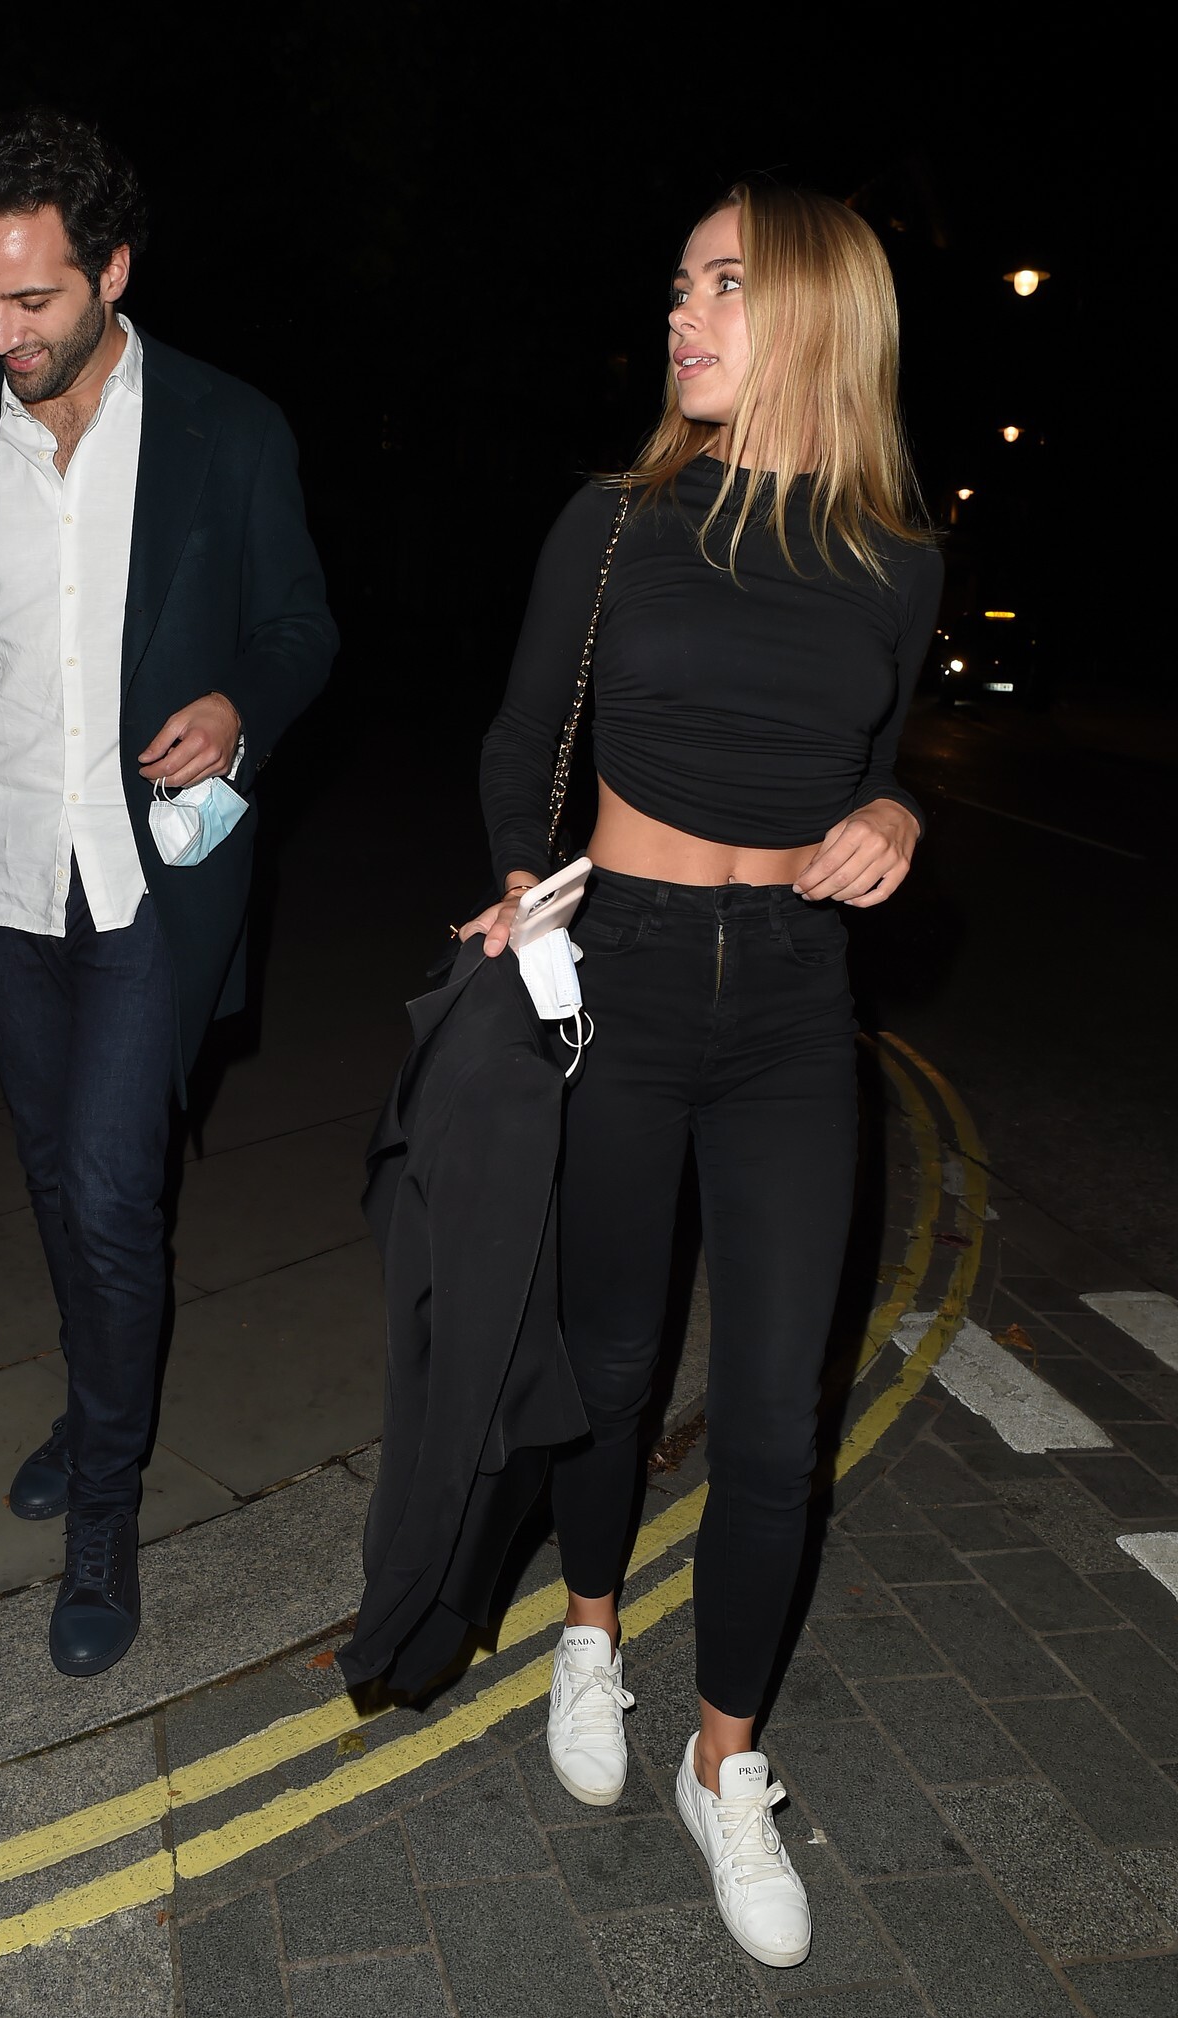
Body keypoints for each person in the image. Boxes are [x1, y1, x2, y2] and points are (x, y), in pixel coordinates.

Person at [464, 181, 940, 1969]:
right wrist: (526, 884)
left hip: (798, 1004)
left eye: (726, 286)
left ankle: (724, 1760)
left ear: (817, 312)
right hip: (628, 971)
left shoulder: (899, 557)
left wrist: (896, 814)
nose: (684, 313)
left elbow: (879, 761)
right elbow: (522, 741)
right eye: (680, 284)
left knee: (774, 1419)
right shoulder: (614, 522)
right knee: (609, 1360)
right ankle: (589, 1628)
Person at [0, 110, 336, 1679]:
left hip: (147, 885)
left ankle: (105, 1504)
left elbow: (301, 630)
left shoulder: (229, 431)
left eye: (33, 298)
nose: (4, 333)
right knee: (55, 1178)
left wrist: (239, 704)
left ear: (112, 270)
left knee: (112, 1193)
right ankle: (94, 1400)